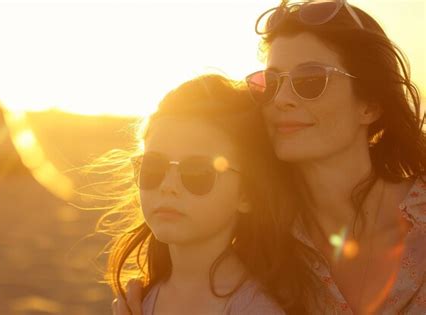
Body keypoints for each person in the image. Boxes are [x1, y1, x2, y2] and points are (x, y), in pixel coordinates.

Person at [114, 1, 426, 314]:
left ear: (370, 105)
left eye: (310, 81)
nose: (283, 99)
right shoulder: (260, 236)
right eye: (272, 82)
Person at [102, 74, 288, 314]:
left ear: (247, 194)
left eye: (197, 172)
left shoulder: (254, 308)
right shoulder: (142, 298)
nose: (168, 185)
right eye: (153, 167)